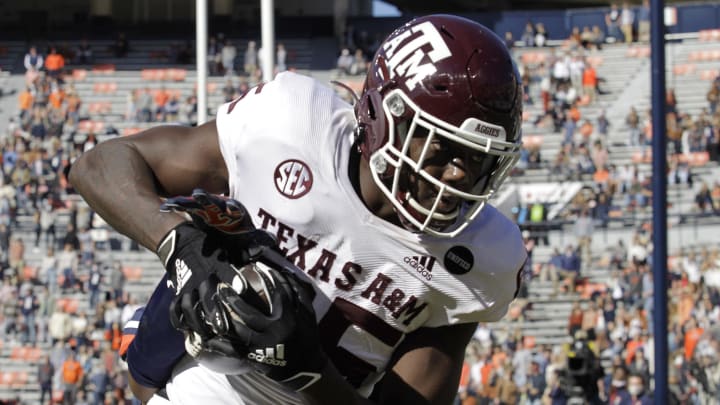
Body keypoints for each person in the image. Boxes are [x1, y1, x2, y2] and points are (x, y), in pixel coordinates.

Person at [69, 14, 526, 405]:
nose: (460, 175)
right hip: (207, 375)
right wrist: (181, 245)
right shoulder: (292, 124)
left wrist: (308, 371)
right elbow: (97, 166)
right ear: (384, 117)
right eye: (443, 146)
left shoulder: (482, 256)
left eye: (479, 158)